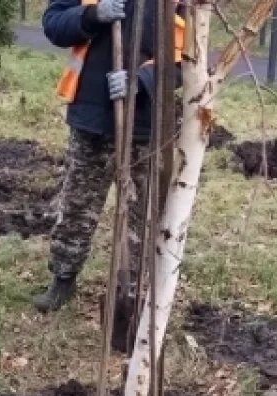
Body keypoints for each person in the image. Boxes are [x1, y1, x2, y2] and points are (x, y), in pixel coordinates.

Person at [36, 0, 182, 316]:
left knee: (140, 216)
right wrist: (91, 15)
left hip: (145, 126)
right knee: (77, 206)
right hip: (92, 118)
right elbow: (53, 23)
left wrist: (141, 81)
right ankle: (63, 277)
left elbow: (183, 59)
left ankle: (128, 293)